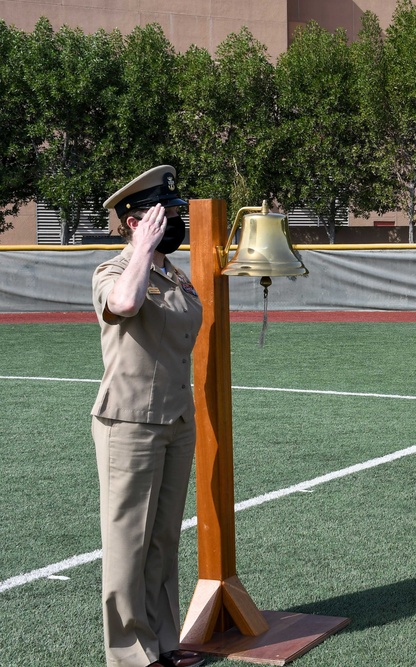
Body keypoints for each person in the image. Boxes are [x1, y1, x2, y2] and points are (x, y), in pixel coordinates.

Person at [91, 165, 205, 667]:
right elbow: (126, 303)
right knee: (127, 545)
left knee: (162, 539)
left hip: (177, 419)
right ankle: (130, 656)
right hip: (130, 422)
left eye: (176, 213)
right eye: (166, 214)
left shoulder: (173, 274)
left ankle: (163, 643)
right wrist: (141, 250)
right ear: (135, 222)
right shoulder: (114, 271)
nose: (176, 222)